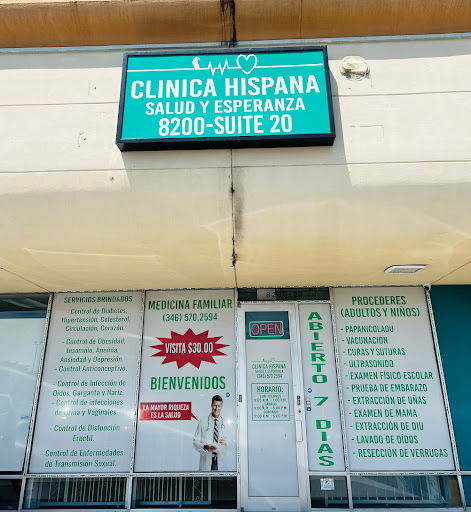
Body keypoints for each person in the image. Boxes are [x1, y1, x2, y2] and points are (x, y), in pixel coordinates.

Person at [193, 395, 227, 471]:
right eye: (214, 405)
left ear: (221, 407)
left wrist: (225, 444)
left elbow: (232, 444)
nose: (216, 408)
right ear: (211, 405)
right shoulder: (203, 422)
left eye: (219, 406)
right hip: (206, 461)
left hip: (220, 462)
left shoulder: (226, 423)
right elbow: (195, 443)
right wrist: (204, 447)